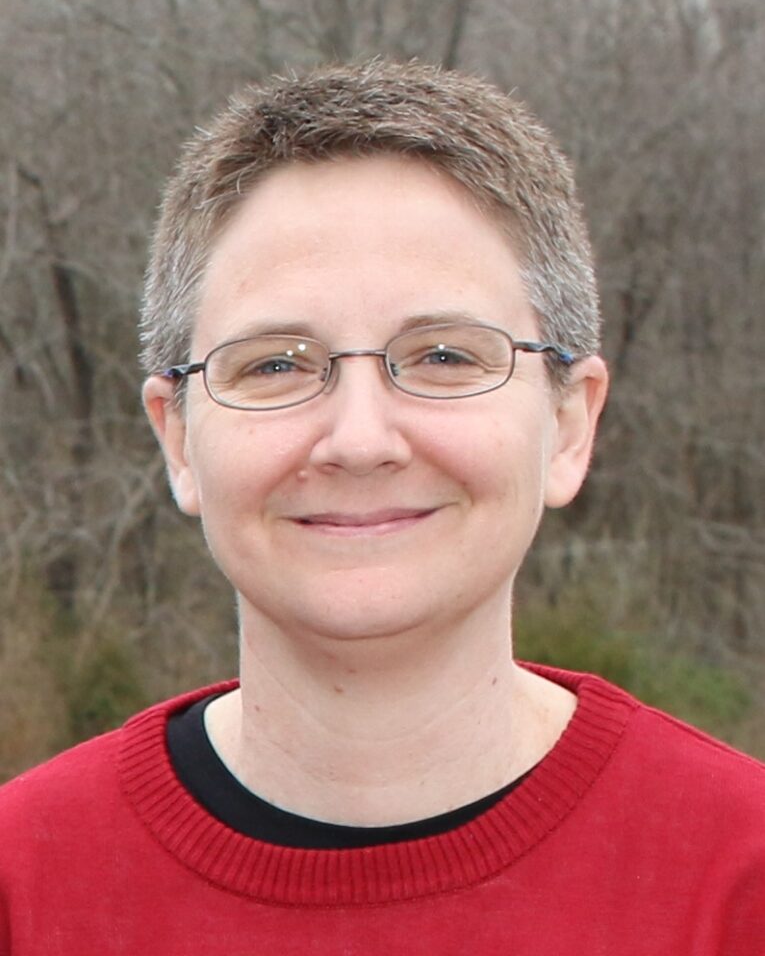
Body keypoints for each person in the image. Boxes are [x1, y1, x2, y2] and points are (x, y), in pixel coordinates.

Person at [0, 59, 762, 954]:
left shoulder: (736, 883)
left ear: (567, 425)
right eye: (275, 364)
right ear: (177, 439)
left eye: (443, 356)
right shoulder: (24, 883)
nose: (359, 440)